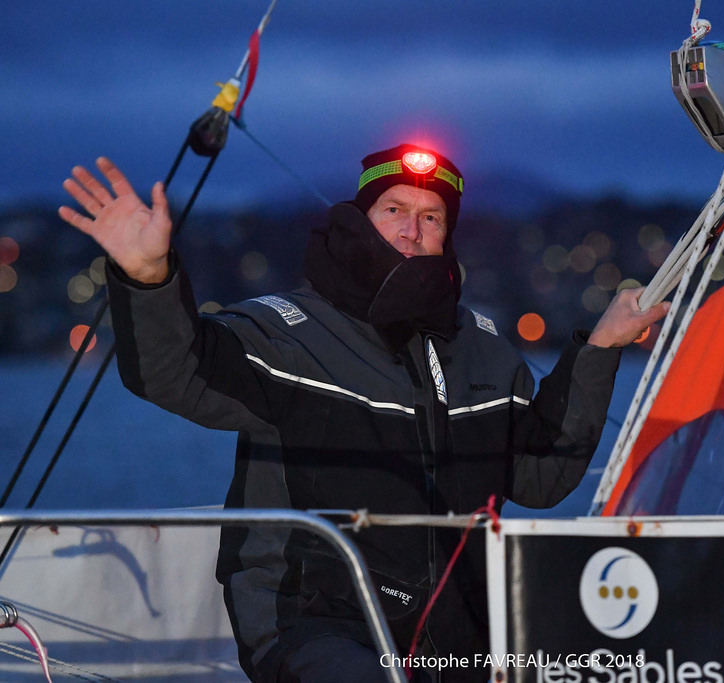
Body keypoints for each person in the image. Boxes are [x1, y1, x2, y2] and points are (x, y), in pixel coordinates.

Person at [58, 144, 669, 683]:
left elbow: (540, 475)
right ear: (360, 221)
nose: (412, 229)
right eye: (394, 211)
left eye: (431, 218)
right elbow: (175, 373)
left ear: (446, 238)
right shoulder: (286, 332)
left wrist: (601, 349)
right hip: (317, 624)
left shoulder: (481, 347)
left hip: (452, 639)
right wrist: (146, 277)